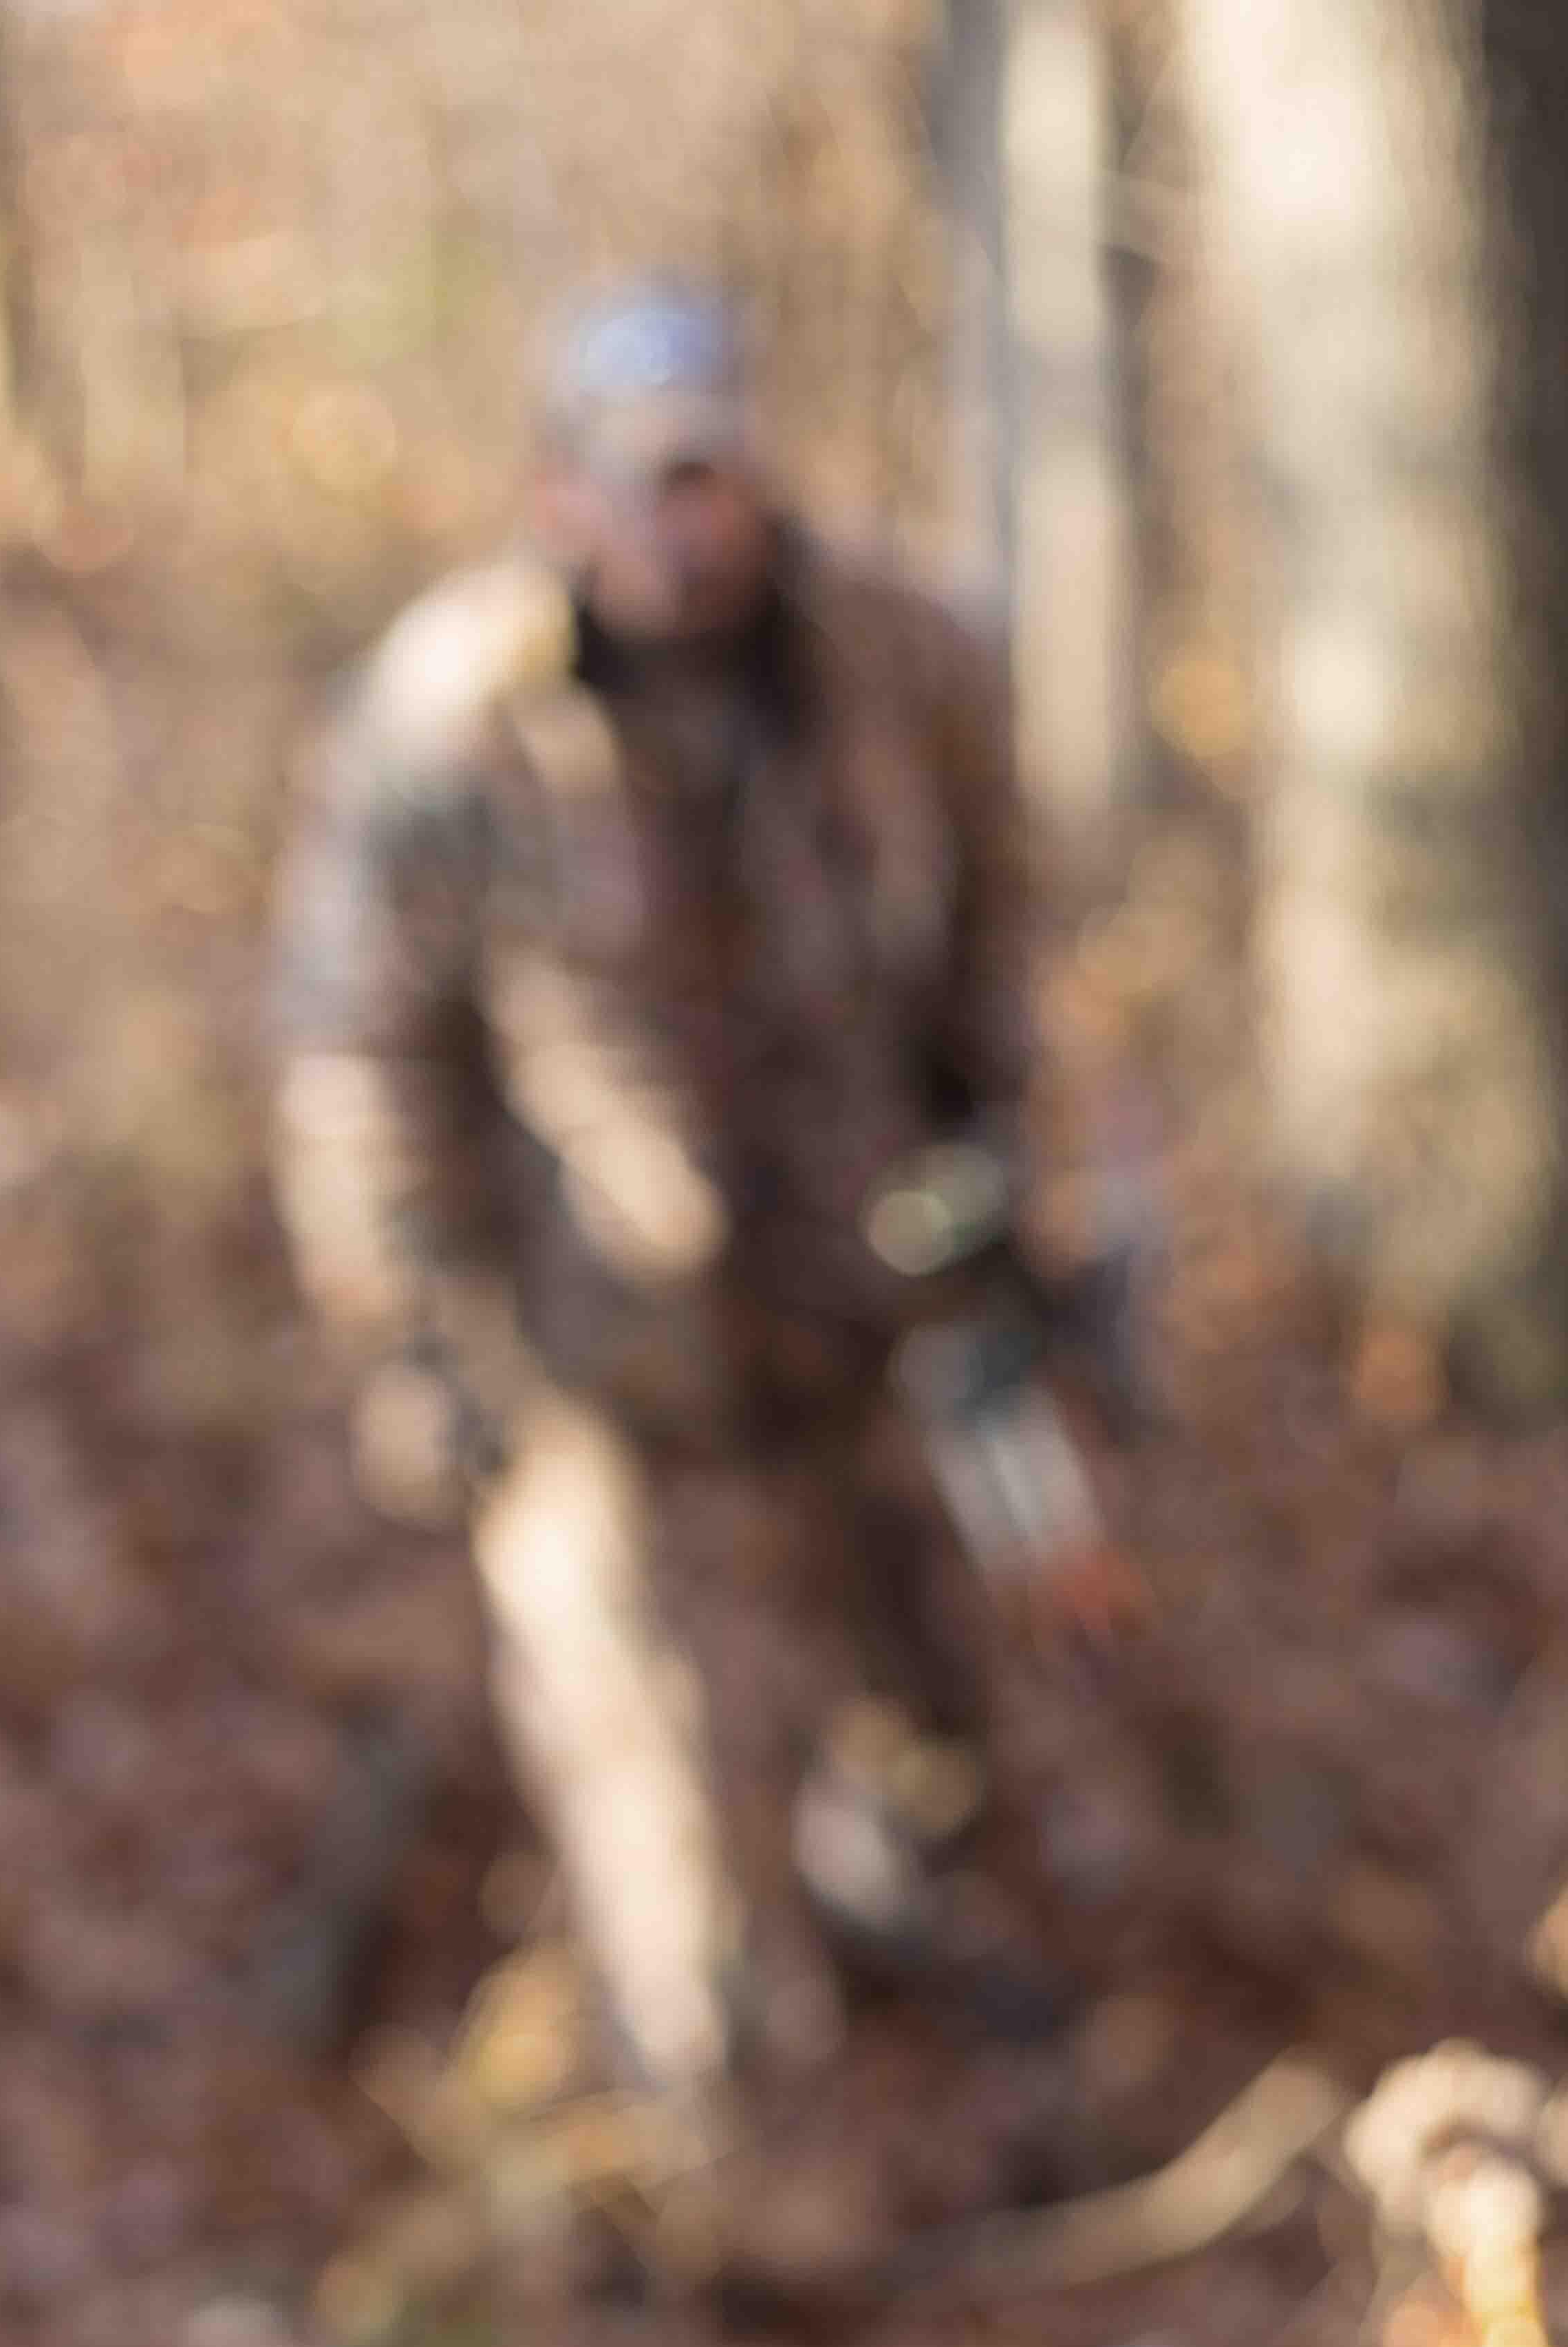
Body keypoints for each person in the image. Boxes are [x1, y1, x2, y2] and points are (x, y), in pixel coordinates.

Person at [274, 279, 1087, 2194]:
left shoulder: (900, 660)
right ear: (558, 496)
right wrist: (411, 1338)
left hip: (865, 1307)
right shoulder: (454, 712)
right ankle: (744, 2199)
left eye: (709, 475)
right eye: (632, 483)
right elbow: (352, 1049)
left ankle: (891, 1968)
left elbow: (1004, 953)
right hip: (587, 1343)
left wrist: (1018, 1205)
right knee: (655, 1785)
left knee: (946, 1713)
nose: (678, 522)